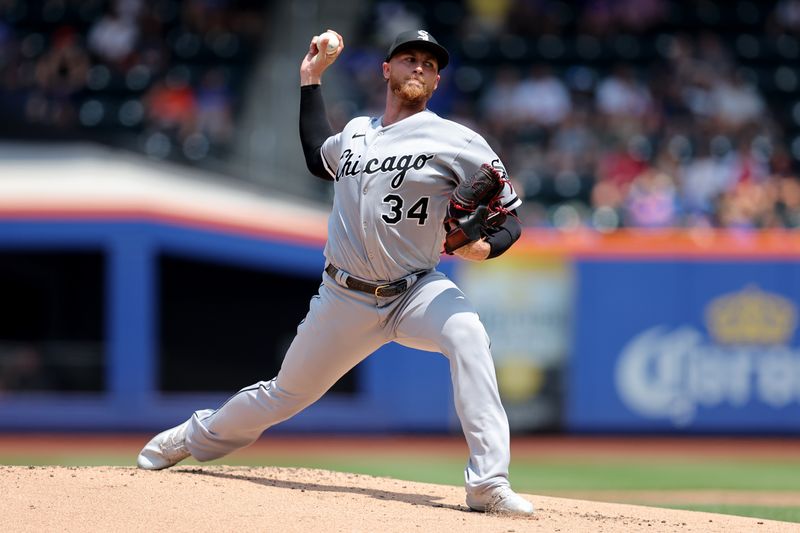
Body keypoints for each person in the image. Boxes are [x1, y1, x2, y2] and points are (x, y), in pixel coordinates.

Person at [137, 28, 532, 516]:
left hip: (416, 291)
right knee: (282, 396)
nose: (419, 69)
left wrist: (481, 248)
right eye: (409, 59)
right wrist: (310, 79)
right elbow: (314, 155)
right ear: (386, 70)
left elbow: (509, 215)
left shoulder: (458, 140)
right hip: (344, 296)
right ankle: (192, 436)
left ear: (435, 81)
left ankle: (488, 483)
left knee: (469, 335)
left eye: (429, 65)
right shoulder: (355, 133)